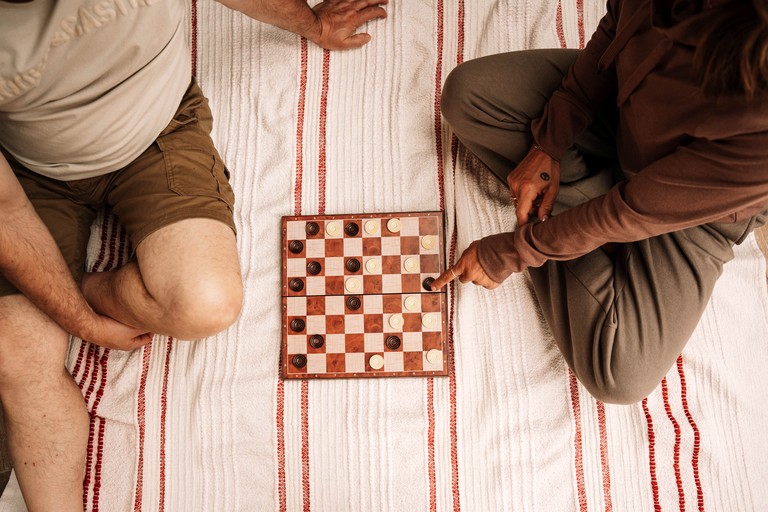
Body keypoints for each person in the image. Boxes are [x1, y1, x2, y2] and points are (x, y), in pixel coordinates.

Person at [0, 0, 387, 509]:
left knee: (206, 304)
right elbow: (5, 212)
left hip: (157, 132)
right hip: (28, 173)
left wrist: (312, 23)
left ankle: (86, 283)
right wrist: (79, 320)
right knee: (14, 357)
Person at [434, 0, 768, 405]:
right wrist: (550, 140)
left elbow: (633, 211)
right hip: (620, 109)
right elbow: (616, 26)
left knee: (619, 374)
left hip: (693, 212)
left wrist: (515, 251)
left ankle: (572, 222)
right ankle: (576, 222)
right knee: (466, 96)